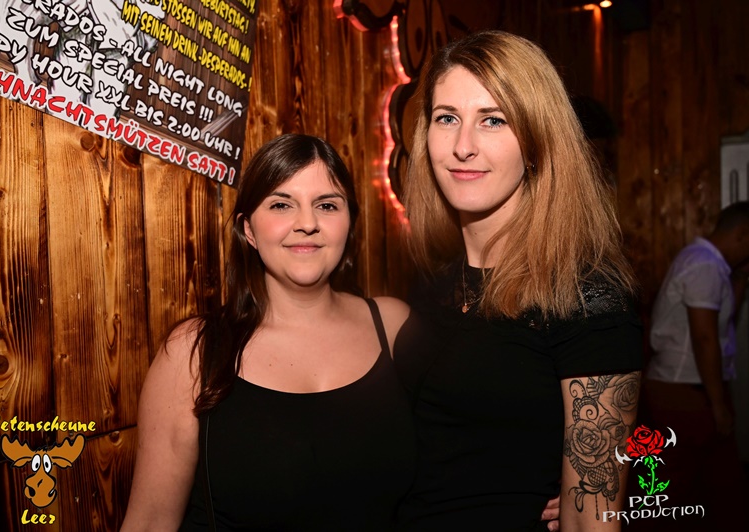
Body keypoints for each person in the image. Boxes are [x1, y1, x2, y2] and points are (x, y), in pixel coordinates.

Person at [396, 30, 643, 531]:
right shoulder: (433, 286)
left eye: (493, 120)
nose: (463, 146)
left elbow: (592, 521)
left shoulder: (587, 298)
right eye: (447, 118)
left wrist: (579, 500)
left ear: (535, 142)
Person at [120, 134, 417, 531]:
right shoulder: (194, 352)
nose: (307, 223)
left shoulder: (393, 327)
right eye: (281, 205)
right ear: (249, 230)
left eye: (327, 205)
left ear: (349, 223)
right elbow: (151, 522)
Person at [643, 201, 749, 531]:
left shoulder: (710, 264)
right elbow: (704, 339)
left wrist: (740, 278)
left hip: (692, 387)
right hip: (684, 391)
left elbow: (720, 324)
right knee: (683, 488)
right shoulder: (704, 265)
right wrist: (718, 405)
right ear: (743, 234)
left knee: (713, 487)